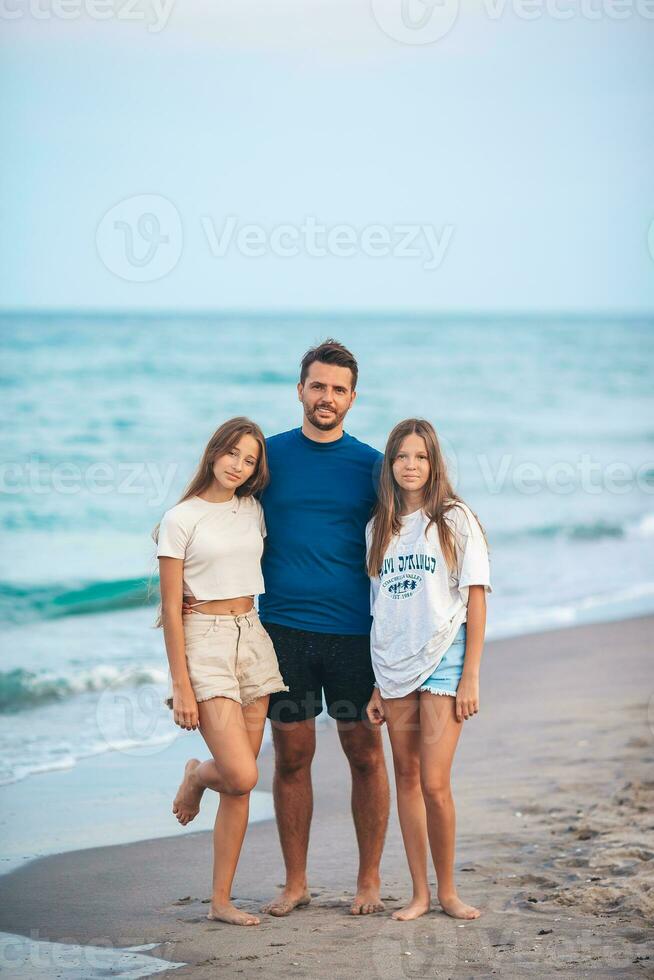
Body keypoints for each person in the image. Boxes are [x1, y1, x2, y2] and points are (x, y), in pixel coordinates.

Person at [185, 340, 391, 917]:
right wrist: (185, 580)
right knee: (293, 755)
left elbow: (411, 530)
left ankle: (369, 880)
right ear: (300, 389)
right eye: (318, 386)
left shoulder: (373, 465)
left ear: (353, 397)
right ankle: (295, 882)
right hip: (281, 635)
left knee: (365, 754)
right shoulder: (268, 460)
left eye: (338, 389)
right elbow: (218, 517)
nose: (327, 398)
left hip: (353, 635)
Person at [154, 417, 288, 927]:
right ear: (214, 453)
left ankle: (221, 901)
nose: (238, 465)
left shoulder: (252, 510)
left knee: (240, 787)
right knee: (239, 773)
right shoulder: (180, 519)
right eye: (232, 453)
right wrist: (180, 685)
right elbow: (170, 608)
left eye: (250, 459)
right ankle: (196, 775)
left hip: (252, 635)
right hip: (202, 641)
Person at [366, 418, 491, 922]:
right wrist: (377, 682)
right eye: (401, 457)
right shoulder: (378, 528)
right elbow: (379, 608)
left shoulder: (455, 519)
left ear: (433, 462)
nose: (410, 465)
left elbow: (476, 599)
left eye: (419, 457)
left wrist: (471, 675)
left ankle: (448, 892)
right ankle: (418, 893)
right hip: (393, 667)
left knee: (436, 782)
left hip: (444, 660)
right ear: (389, 465)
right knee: (407, 778)